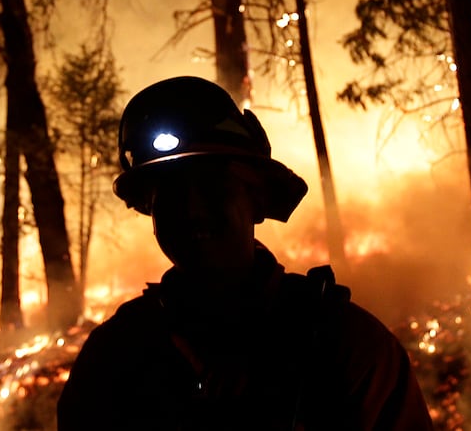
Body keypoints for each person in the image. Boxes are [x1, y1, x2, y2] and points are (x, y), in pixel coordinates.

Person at [57, 76, 434, 430]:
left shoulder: (346, 346)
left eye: (211, 187)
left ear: (256, 201)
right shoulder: (115, 355)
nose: (191, 210)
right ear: (149, 210)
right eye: (169, 194)